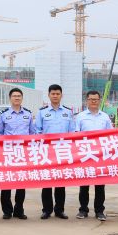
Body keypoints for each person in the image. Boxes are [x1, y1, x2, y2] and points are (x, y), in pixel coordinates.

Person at [35, 84, 75, 220]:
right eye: (53, 94)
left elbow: (72, 132)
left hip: (63, 151)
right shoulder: (42, 112)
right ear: (49, 95)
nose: (55, 96)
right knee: (47, 182)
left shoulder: (68, 112)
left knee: (60, 183)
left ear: (61, 95)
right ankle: (46, 210)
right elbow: (38, 131)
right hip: (47, 151)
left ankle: (59, 210)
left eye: (58, 94)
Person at [0, 87, 36, 220]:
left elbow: (32, 133)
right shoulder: (4, 115)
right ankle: (7, 211)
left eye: (19, 96)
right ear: (10, 98)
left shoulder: (28, 114)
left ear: (22, 98)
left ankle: (19, 210)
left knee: (21, 183)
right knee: (6, 182)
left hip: (22, 153)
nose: (17, 98)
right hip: (7, 152)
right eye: (14, 96)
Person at [74, 90, 113, 221]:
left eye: (96, 99)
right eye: (91, 99)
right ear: (87, 101)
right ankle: (83, 210)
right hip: (85, 155)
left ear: (99, 100)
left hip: (100, 155)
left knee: (100, 185)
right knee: (84, 185)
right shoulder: (80, 116)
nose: (94, 101)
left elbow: (111, 135)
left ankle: (99, 211)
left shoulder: (105, 117)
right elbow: (75, 135)